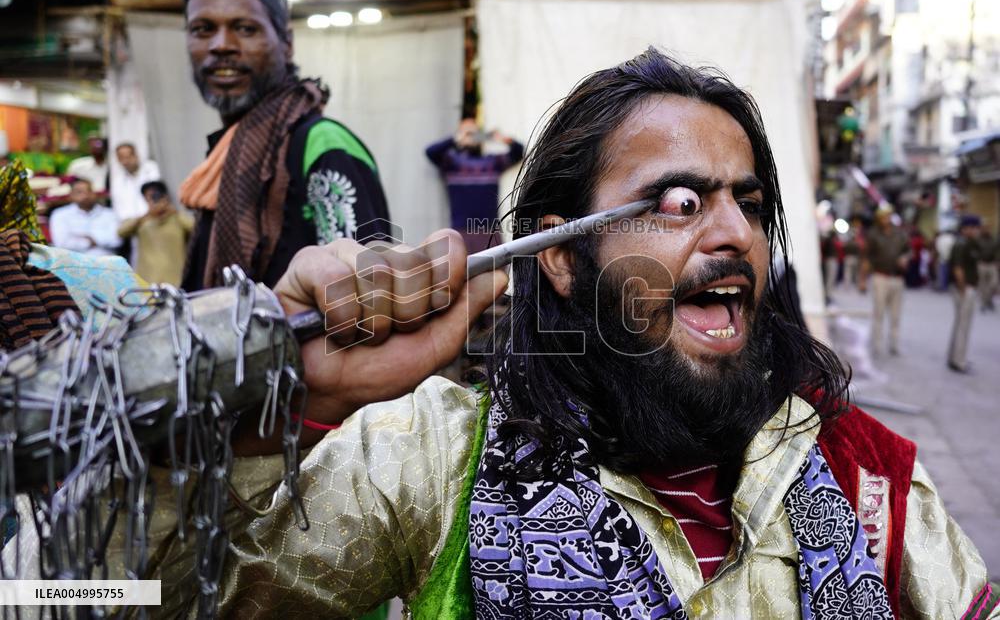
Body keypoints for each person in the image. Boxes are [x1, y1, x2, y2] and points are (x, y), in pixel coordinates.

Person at [5, 49, 997, 619]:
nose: (734, 233)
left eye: (746, 201)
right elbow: (126, 605)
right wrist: (263, 404)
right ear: (559, 257)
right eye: (680, 199)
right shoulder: (436, 452)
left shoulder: (867, 477)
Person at [178, 0, 391, 292]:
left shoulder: (322, 145)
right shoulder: (225, 156)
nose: (221, 46)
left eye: (245, 28)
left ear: (287, 43)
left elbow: (366, 296)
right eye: (203, 29)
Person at [426, 118, 524, 253]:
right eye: (466, 132)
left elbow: (518, 151)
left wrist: (495, 137)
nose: (470, 135)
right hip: (461, 231)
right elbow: (431, 152)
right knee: (462, 272)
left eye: (474, 133)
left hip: (489, 231)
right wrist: (456, 138)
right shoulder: (451, 163)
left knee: (495, 272)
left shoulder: (491, 162)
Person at [117, 181, 195, 286]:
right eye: (149, 197)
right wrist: (146, 216)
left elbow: (194, 228)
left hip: (177, 276)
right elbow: (121, 232)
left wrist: (174, 212)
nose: (154, 200)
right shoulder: (142, 221)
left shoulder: (177, 218)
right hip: (149, 278)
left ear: (165, 196)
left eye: (157, 196)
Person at [860, 206, 909, 356]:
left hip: (897, 278)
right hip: (880, 276)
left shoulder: (900, 233)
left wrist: (905, 258)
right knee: (879, 312)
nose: (885, 219)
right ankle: (877, 345)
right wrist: (862, 279)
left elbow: (908, 250)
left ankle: (894, 344)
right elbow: (866, 258)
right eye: (882, 216)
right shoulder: (873, 235)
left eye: (887, 216)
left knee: (895, 314)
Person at [47, 178, 121, 257]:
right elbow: (61, 243)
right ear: (71, 196)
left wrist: (82, 238)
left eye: (89, 191)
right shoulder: (60, 214)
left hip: (107, 263)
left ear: (95, 193)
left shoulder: (110, 214)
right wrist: (90, 241)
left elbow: (116, 241)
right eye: (79, 192)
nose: (86, 195)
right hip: (73, 263)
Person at [948, 215, 983, 373]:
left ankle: (954, 357)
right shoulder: (962, 244)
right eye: (975, 227)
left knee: (960, 325)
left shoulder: (968, 243)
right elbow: (958, 268)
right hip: (964, 288)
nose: (977, 230)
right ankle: (958, 361)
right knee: (963, 326)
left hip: (965, 287)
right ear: (967, 228)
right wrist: (963, 289)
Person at [111, 142, 161, 221]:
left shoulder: (152, 169)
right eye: (122, 158)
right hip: (131, 224)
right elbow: (119, 209)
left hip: (155, 219)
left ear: (136, 155)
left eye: (128, 157)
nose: (126, 161)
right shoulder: (117, 181)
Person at [977, 228, 998, 312]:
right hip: (982, 264)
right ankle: (984, 303)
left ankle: (989, 299)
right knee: (982, 285)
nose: (987, 231)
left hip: (992, 264)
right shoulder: (978, 241)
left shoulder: (993, 240)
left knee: (994, 283)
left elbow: (996, 250)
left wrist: (997, 260)